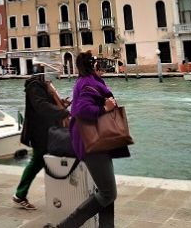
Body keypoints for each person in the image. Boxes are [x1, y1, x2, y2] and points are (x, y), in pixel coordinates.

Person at [47, 51, 130, 228]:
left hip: (99, 140)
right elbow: (82, 110)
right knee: (108, 193)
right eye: (99, 63)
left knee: (105, 190)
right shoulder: (87, 83)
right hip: (92, 142)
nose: (103, 67)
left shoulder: (88, 82)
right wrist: (105, 109)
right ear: (93, 66)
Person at [12, 65, 70, 210]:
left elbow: (47, 103)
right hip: (39, 131)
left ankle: (55, 195)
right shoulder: (35, 86)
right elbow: (41, 106)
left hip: (47, 130)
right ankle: (20, 195)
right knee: (38, 161)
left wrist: (62, 104)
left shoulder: (45, 84)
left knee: (41, 161)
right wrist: (62, 112)